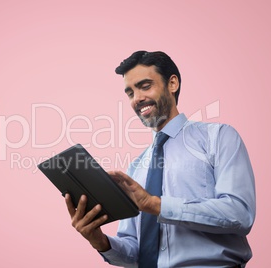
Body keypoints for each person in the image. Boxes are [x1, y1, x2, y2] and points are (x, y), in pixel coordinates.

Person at [64, 51, 256, 267]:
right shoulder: (136, 168)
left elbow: (240, 214)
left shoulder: (218, 137)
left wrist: (154, 204)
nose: (137, 98)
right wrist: (99, 241)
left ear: (172, 83)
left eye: (145, 86)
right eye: (130, 93)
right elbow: (135, 252)